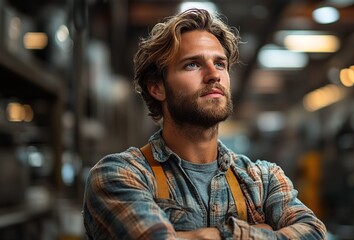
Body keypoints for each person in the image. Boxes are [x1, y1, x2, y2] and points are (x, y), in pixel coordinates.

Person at [83, 8, 327, 240]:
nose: (213, 74)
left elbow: (313, 233)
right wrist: (259, 231)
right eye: (193, 64)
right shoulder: (120, 175)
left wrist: (205, 235)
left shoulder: (263, 179)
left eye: (220, 63)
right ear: (157, 87)